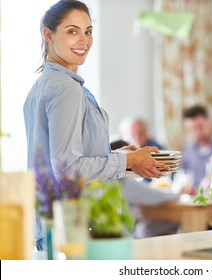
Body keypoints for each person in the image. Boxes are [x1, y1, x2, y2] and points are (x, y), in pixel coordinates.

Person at [23, 0, 169, 250]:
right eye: (72, 31)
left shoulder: (41, 86)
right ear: (49, 35)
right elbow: (68, 170)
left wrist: (116, 157)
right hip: (79, 227)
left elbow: (63, 158)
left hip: (52, 225)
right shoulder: (65, 89)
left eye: (88, 31)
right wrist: (129, 162)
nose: (84, 40)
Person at [180, 105, 212, 194]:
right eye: (192, 129)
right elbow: (182, 176)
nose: (197, 132)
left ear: (209, 121)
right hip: (193, 202)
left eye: (200, 127)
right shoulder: (187, 151)